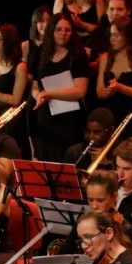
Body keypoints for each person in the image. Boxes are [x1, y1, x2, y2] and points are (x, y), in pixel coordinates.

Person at [30, 12, 90, 161]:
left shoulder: (77, 54)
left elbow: (80, 90)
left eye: (67, 30)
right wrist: (39, 96)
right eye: (59, 30)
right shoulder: (42, 51)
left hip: (68, 120)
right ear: (52, 30)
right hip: (45, 117)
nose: (63, 34)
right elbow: (35, 86)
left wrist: (50, 94)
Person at [96, 15, 132, 141]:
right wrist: (110, 91)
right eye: (111, 35)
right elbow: (99, 91)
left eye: (116, 35)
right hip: (110, 118)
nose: (112, 39)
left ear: (127, 35)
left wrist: (121, 88)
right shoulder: (106, 57)